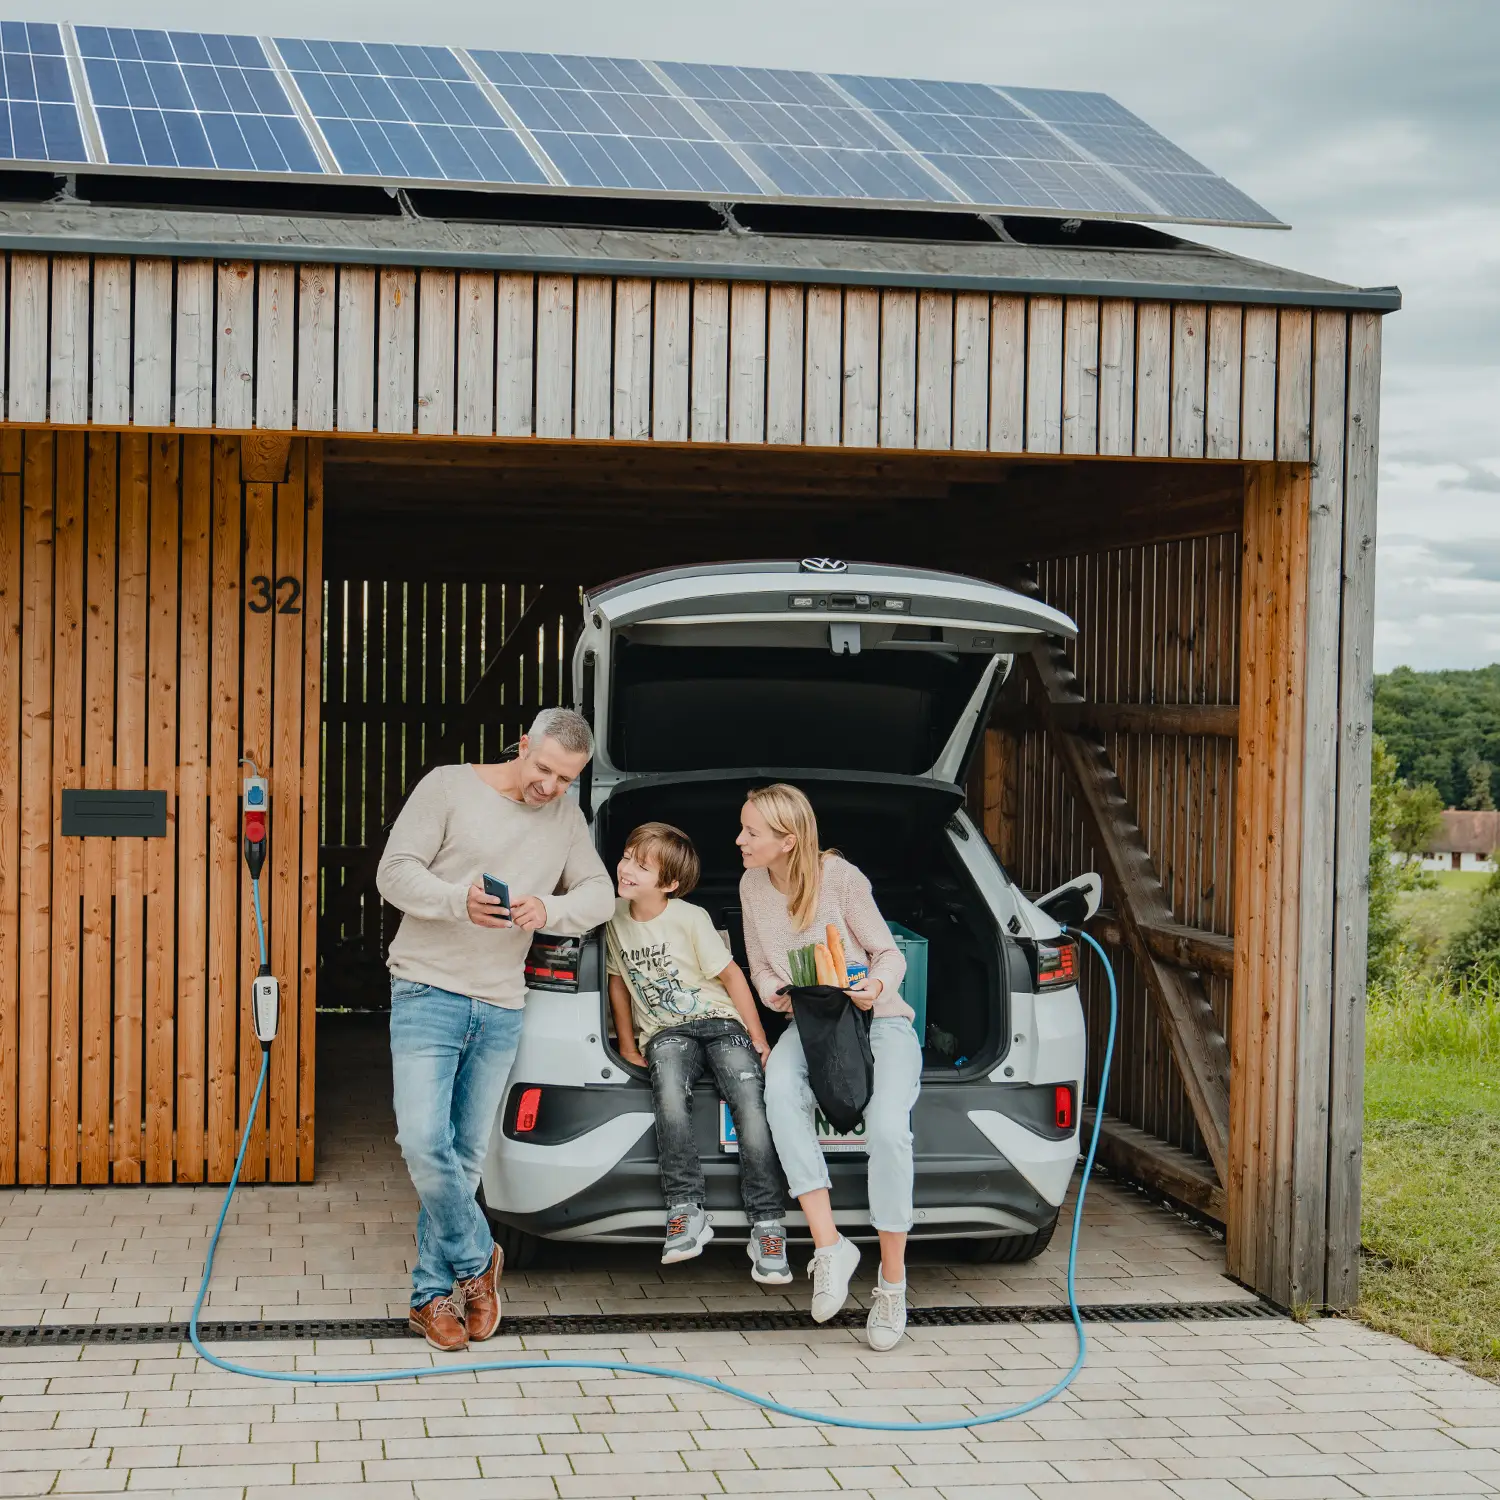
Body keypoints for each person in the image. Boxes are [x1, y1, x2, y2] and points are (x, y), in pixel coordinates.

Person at [376, 708, 615, 1352]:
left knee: (462, 1157)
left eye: (566, 779)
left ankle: (433, 1297)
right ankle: (480, 1259)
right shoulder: (448, 786)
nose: (550, 788)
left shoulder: (565, 816)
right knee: (423, 1142)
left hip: (503, 1002)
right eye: (543, 770)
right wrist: (459, 899)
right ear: (520, 746)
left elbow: (600, 893)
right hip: (427, 988)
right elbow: (393, 872)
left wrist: (552, 908)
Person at [738, 783, 921, 1352]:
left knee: (889, 1130)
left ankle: (892, 1284)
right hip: (811, 1025)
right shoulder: (751, 886)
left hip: (879, 1022)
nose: (739, 840)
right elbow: (760, 966)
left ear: (787, 842)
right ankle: (830, 1247)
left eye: (751, 832)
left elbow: (890, 954)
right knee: (778, 1091)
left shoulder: (842, 879)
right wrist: (779, 996)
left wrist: (873, 985)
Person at [605, 822, 791, 1284]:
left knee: (750, 1102)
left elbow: (730, 977)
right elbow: (617, 985)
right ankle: (686, 1210)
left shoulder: (689, 917)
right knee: (667, 1094)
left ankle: (768, 1223)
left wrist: (758, 1036)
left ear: (668, 884)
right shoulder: (611, 917)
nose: (627, 869)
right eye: (628, 856)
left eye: (642, 866)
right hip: (666, 1032)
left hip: (720, 1022)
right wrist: (627, 1045)